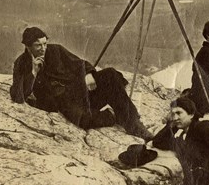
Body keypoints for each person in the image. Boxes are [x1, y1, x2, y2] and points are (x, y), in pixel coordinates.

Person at [10, 27, 153, 140]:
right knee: (84, 120)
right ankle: (112, 115)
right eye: (37, 45)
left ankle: (133, 123)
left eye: (44, 43)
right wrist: (33, 72)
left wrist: (89, 74)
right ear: (28, 47)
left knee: (110, 75)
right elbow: (17, 96)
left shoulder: (56, 50)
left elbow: (80, 64)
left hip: (80, 92)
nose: (43, 48)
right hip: (64, 103)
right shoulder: (21, 63)